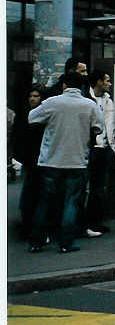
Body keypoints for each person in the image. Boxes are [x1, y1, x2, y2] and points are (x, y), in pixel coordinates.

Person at [27, 71, 103, 253]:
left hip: (51, 160)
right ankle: (66, 242)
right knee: (71, 202)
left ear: (64, 85)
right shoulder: (89, 105)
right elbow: (98, 128)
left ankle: (36, 241)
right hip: (77, 161)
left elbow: (32, 118)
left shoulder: (52, 102)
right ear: (82, 86)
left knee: (44, 201)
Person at [13, 85, 46, 238]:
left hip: (35, 158)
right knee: (33, 193)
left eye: (36, 96)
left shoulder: (28, 115)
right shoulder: (34, 116)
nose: (32, 99)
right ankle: (31, 226)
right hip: (33, 158)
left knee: (32, 192)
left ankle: (30, 225)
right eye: (31, 96)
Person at [86, 70, 115, 235]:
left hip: (105, 148)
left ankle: (95, 221)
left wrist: (111, 146)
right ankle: (85, 223)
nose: (109, 83)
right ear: (98, 82)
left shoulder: (108, 101)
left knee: (99, 188)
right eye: (107, 80)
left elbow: (110, 124)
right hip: (91, 148)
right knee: (87, 188)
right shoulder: (87, 99)